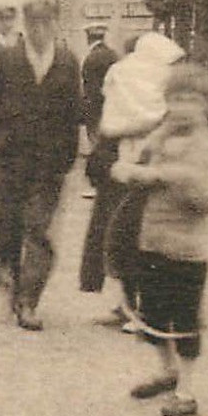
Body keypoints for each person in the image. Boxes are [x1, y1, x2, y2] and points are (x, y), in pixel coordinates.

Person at [111, 62, 208, 416]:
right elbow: (136, 165)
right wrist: (132, 168)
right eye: (176, 99)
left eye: (191, 100)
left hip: (188, 249)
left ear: (206, 105)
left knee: (186, 320)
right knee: (155, 314)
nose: (183, 108)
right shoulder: (160, 137)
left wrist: (163, 176)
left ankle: (187, 389)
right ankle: (167, 370)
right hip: (153, 240)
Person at [0, 0, 81, 330]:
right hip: (11, 162)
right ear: (25, 24)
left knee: (39, 232)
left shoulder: (66, 62)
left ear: (55, 25)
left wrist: (65, 158)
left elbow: (73, 113)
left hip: (48, 167)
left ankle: (28, 301)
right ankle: (16, 289)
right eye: (33, 23)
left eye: (46, 23)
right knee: (10, 229)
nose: (39, 30)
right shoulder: (6, 59)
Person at [95, 31, 186, 326]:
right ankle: (137, 306)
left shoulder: (121, 76)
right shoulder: (161, 85)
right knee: (137, 237)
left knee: (127, 236)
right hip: (146, 165)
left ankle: (134, 305)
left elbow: (108, 121)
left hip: (126, 165)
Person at [77, 25, 119, 292]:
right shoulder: (112, 55)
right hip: (111, 109)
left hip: (97, 110)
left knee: (96, 144)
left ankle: (96, 183)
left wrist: (86, 112)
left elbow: (90, 89)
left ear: (88, 38)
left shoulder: (91, 58)